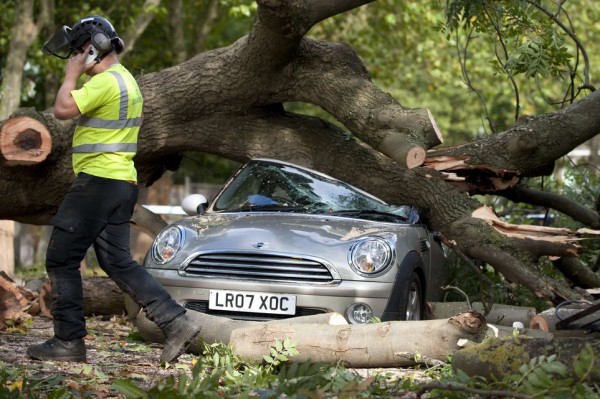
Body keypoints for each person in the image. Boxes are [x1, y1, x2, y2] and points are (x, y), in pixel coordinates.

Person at [28, 15, 202, 363]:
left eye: (80, 51)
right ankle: (175, 322)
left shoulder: (106, 82)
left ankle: (68, 341)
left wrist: (70, 76)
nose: (77, 58)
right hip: (121, 183)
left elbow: (63, 109)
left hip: (98, 182)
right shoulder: (128, 83)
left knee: (61, 258)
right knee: (118, 262)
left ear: (95, 47)